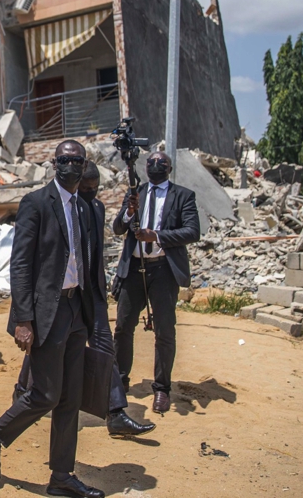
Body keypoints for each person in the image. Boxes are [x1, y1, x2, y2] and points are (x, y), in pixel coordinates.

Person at [0, 140, 104, 498]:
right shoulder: (35, 203)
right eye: (64, 160)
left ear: (84, 165)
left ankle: (61, 476)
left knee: (70, 398)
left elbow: (90, 263)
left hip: (77, 307)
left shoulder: (84, 207)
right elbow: (20, 264)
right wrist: (22, 319)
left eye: (77, 161)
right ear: (53, 163)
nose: (71, 166)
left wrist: (96, 312)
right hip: (47, 312)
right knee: (46, 394)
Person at [13, 161, 155, 438]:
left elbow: (115, 231)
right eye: (86, 188)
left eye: (95, 189)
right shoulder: (59, 206)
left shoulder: (96, 208)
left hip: (92, 295)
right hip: (62, 297)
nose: (90, 193)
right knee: (45, 347)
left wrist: (127, 214)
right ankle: (22, 391)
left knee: (104, 350)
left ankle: (115, 412)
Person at [112, 151, 200, 414]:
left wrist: (157, 236)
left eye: (161, 163)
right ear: (145, 167)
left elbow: (192, 231)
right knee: (123, 326)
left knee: (164, 330)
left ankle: (162, 389)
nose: (156, 166)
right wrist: (128, 213)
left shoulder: (183, 195)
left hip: (163, 270)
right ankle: (120, 381)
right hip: (134, 269)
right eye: (151, 163)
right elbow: (118, 228)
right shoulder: (136, 192)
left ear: (169, 168)